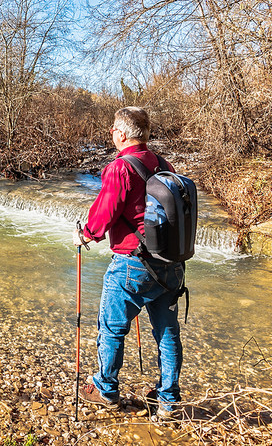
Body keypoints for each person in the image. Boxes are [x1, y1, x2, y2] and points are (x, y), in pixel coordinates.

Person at [73, 106, 184, 418]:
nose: (111, 133)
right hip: (170, 265)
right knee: (167, 333)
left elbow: (104, 213)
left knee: (111, 328)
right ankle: (168, 401)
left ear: (121, 134)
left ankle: (105, 389)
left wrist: (86, 235)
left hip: (133, 265)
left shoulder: (120, 168)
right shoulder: (165, 165)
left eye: (112, 129)